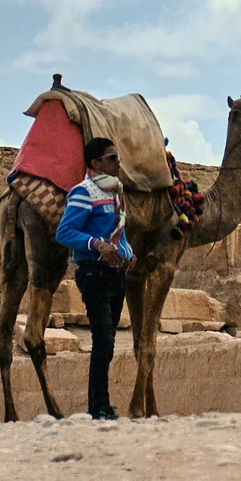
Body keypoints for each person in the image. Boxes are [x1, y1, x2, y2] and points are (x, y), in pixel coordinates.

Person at [56, 137, 133, 420]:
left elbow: (119, 232)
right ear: (95, 163)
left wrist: (128, 252)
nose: (117, 163)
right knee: (104, 339)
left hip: (115, 273)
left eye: (117, 158)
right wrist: (96, 244)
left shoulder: (116, 193)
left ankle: (101, 404)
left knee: (109, 340)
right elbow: (64, 233)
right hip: (93, 272)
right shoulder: (83, 192)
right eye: (111, 158)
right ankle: (98, 407)